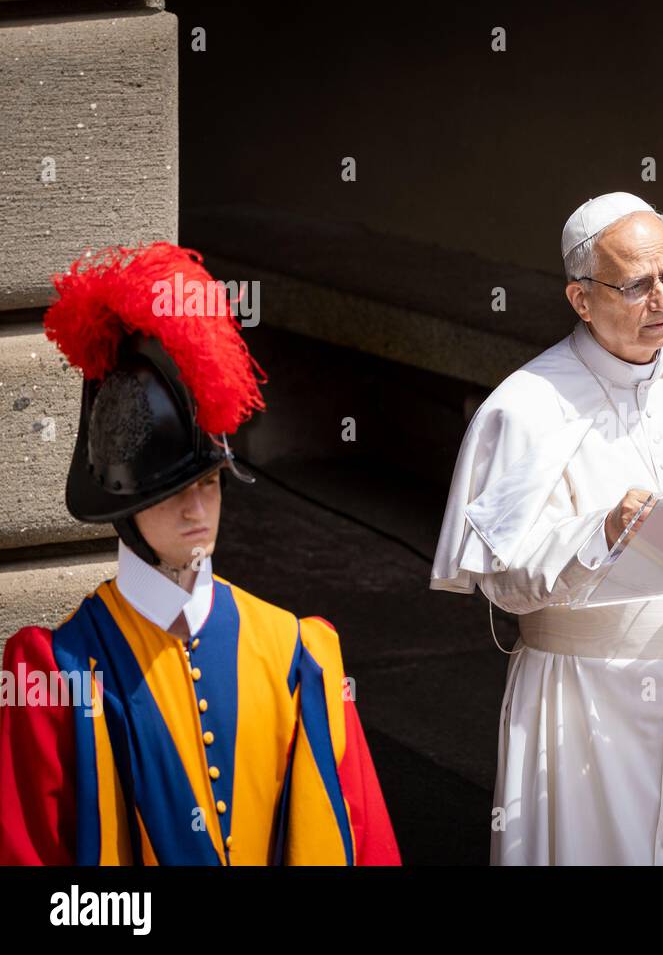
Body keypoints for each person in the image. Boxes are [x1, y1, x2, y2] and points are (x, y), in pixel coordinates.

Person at [431, 192, 663, 864]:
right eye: (636, 285)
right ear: (581, 299)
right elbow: (503, 580)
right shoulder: (526, 406)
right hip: (585, 704)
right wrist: (600, 532)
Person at [0, 243, 400, 865]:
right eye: (171, 492)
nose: (196, 511)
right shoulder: (55, 674)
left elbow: (365, 843)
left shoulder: (298, 652)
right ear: (123, 507)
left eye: (207, 485)